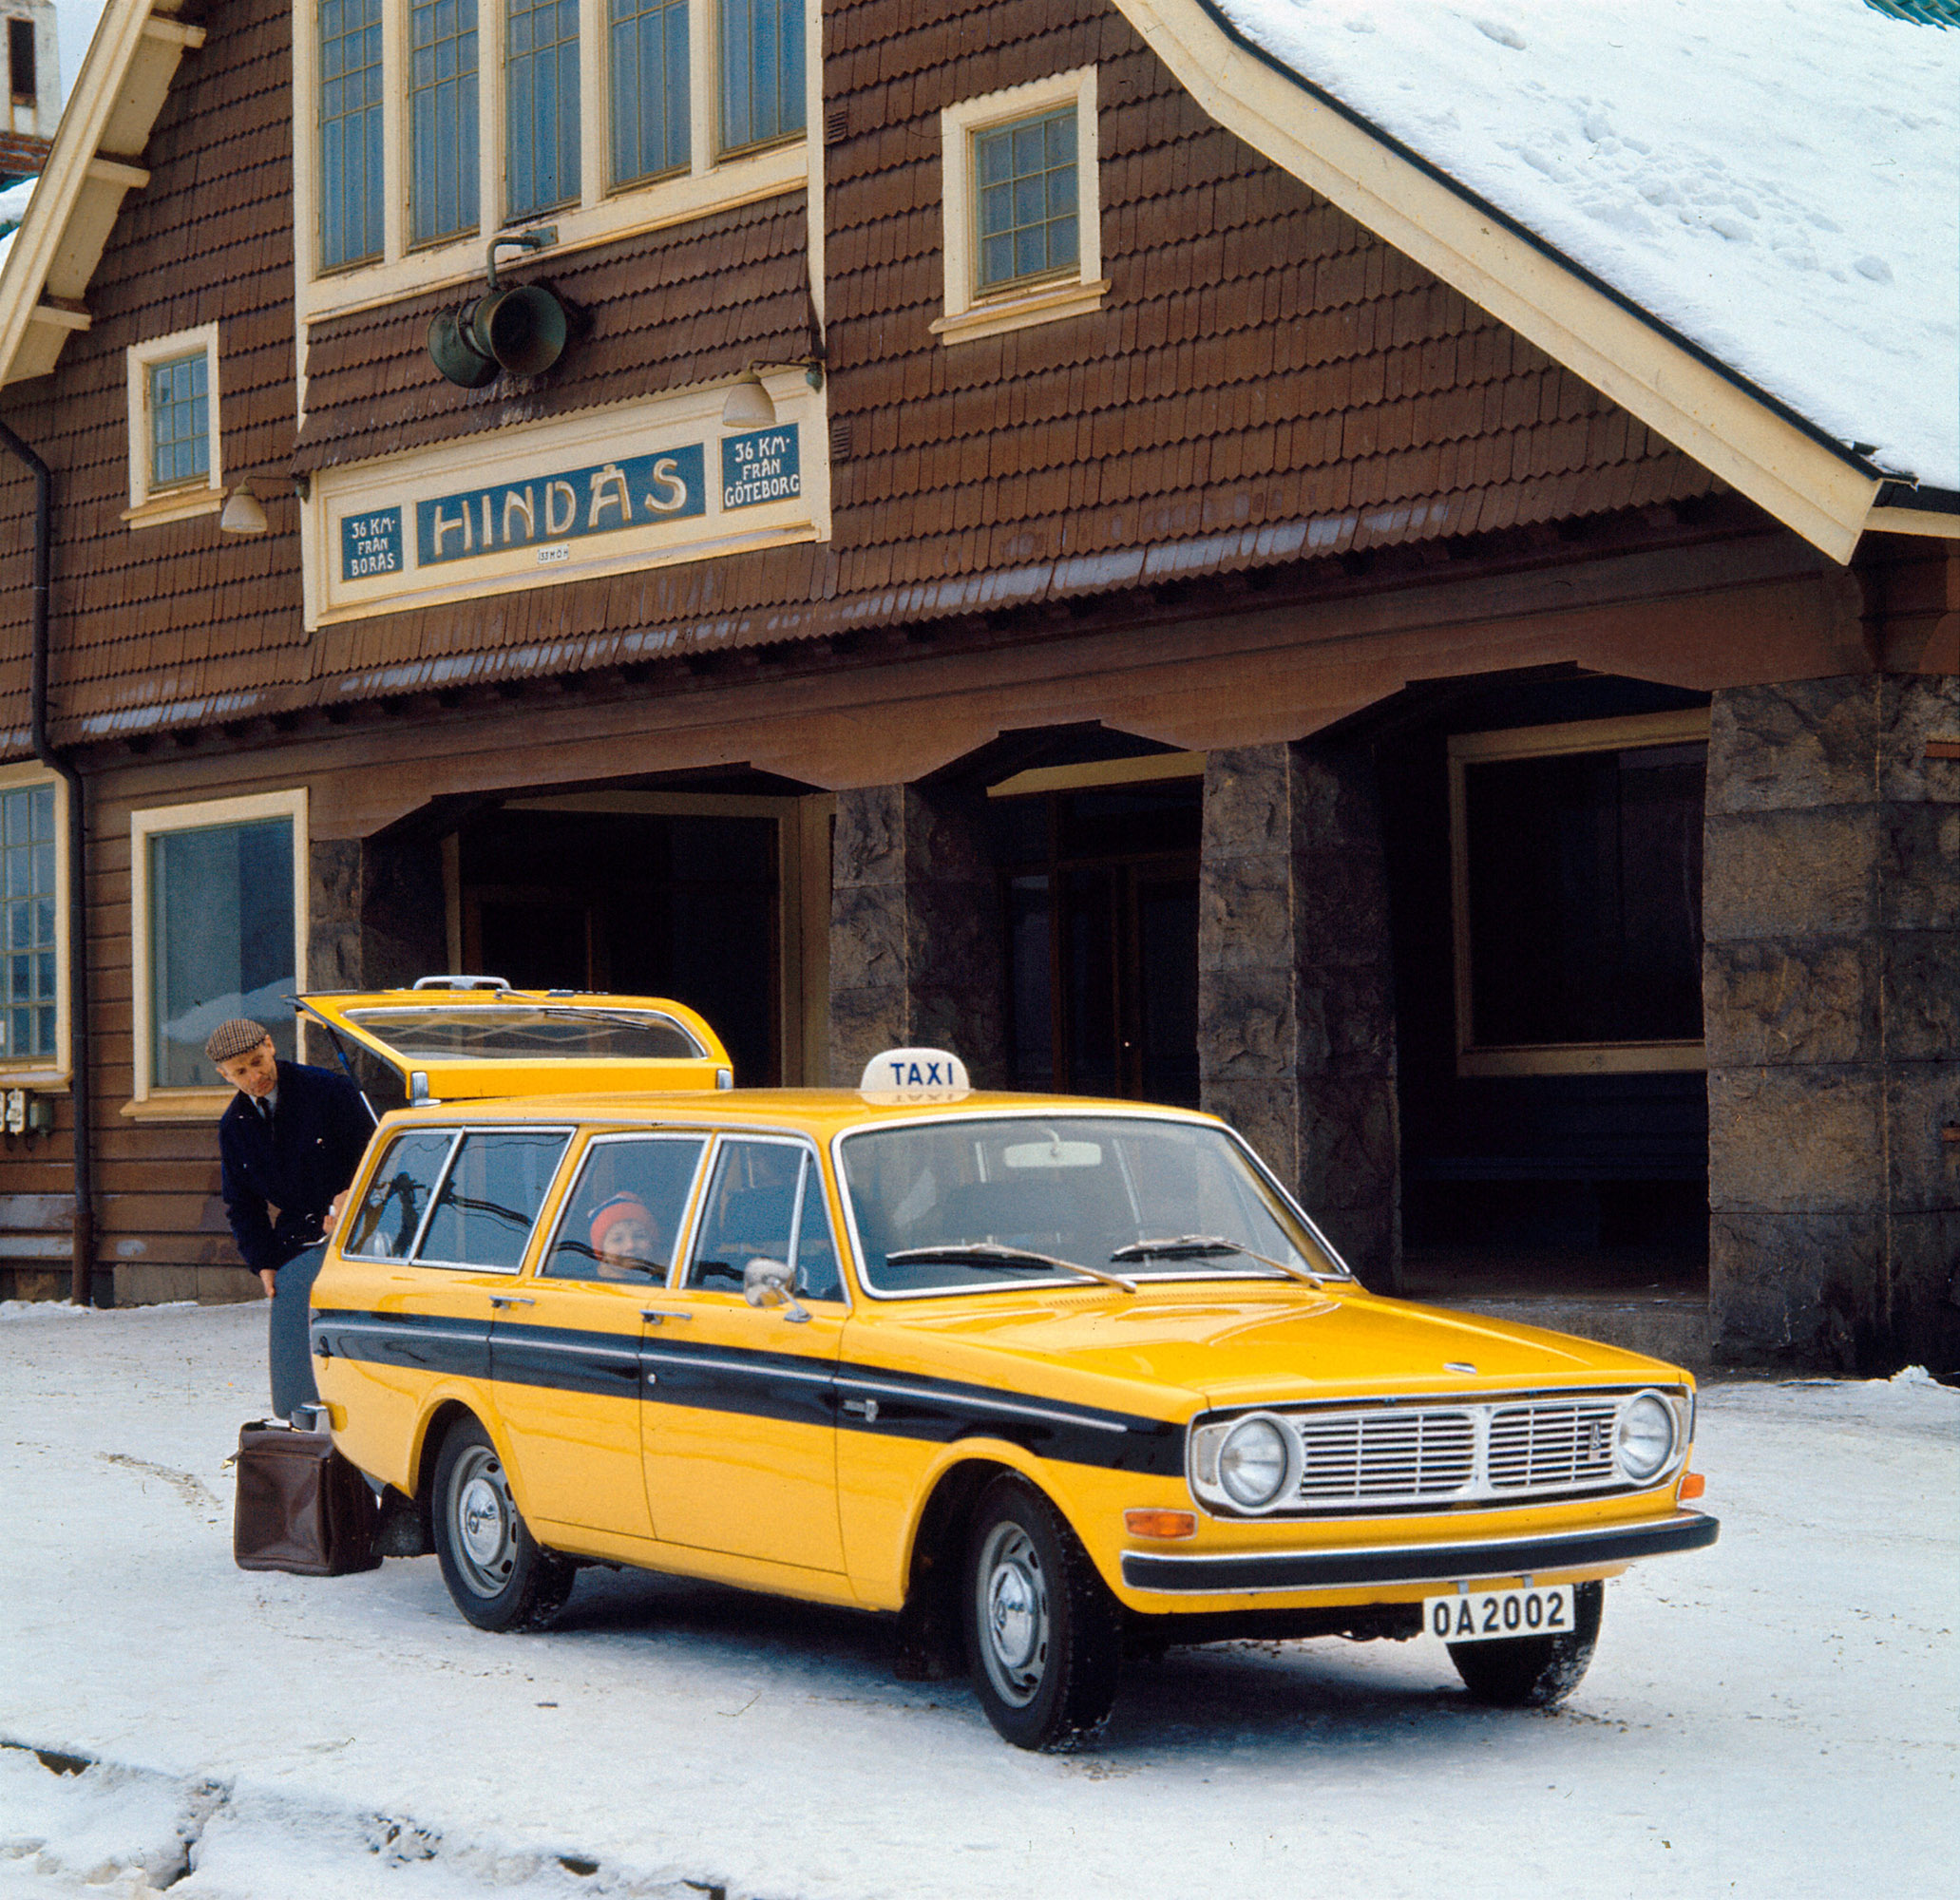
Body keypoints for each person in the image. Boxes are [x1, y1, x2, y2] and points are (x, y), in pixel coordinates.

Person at [207, 1017, 374, 1419]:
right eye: (240, 1072)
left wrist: (354, 1196)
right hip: (296, 1239)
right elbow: (242, 1202)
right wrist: (262, 1261)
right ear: (224, 1074)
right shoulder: (234, 1127)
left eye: (258, 1061)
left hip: (361, 1229)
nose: (255, 1076)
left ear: (270, 1045)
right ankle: (303, 1416)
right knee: (300, 1345)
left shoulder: (328, 1090)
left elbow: (377, 1152)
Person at [587, 1191, 663, 1282]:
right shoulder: (590, 1283)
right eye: (617, 1239)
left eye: (639, 1236)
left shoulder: (669, 1277)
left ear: (651, 1243)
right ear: (602, 1253)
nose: (630, 1246)